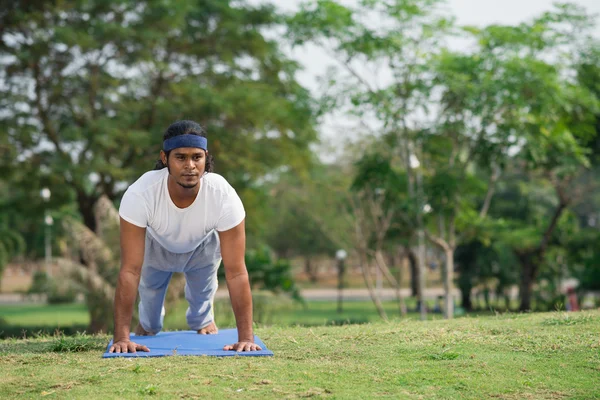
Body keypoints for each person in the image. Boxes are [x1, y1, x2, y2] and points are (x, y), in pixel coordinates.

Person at [109, 120, 261, 353]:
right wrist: (121, 337)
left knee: (202, 306)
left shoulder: (222, 194)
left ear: (205, 157)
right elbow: (130, 270)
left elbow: (237, 271)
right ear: (164, 158)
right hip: (156, 248)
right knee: (149, 321)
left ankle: (203, 321)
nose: (190, 165)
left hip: (202, 249)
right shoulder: (141, 193)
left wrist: (247, 338)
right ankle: (148, 324)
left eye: (196, 157)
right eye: (180, 157)